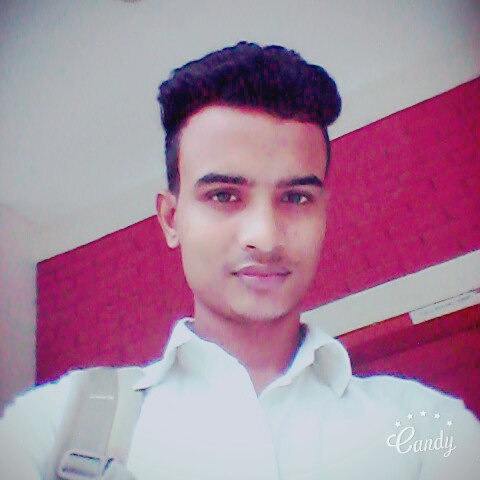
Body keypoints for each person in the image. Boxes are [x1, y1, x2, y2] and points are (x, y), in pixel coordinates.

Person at [0, 41, 479, 480]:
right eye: (224, 195)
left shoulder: (425, 432)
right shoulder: (54, 427)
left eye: (296, 198)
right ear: (171, 219)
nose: (265, 238)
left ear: (323, 215)